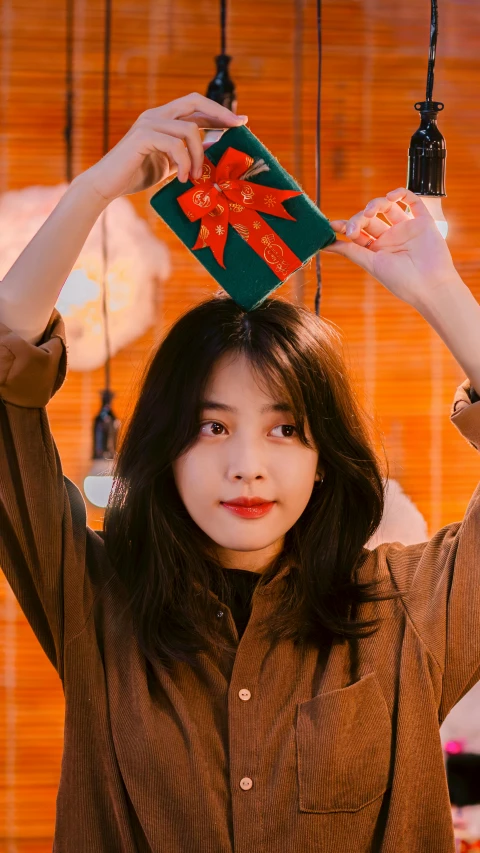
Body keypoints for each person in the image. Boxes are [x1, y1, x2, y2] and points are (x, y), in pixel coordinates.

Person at [0, 92, 479, 853]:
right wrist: (93, 191)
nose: (248, 466)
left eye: (286, 428)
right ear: (165, 450)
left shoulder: (408, 610)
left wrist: (437, 289)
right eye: (211, 426)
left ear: (326, 459)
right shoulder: (98, 606)